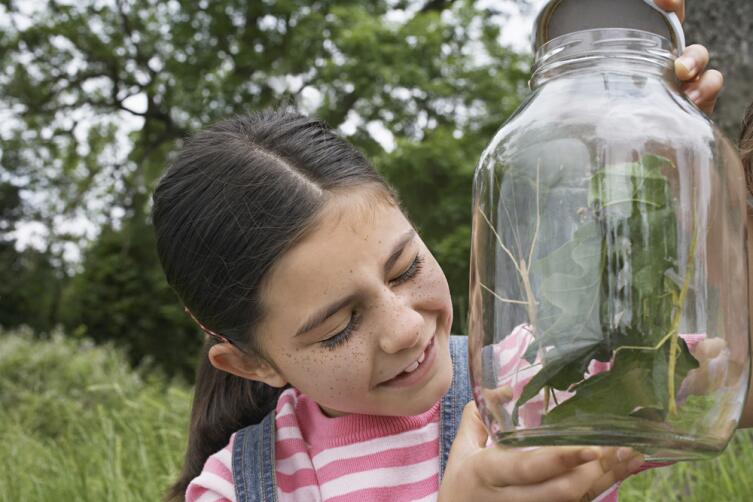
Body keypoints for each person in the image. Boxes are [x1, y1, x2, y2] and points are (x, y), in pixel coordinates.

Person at [152, 1, 724, 500]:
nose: (404, 328)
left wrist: (680, 177)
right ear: (251, 362)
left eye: (404, 269)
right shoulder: (237, 488)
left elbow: (726, 370)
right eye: (338, 327)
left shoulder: (539, 380)